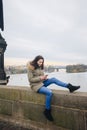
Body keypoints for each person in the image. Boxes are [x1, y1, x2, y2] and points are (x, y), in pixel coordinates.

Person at [27, 55, 80, 121]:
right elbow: (30, 79)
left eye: (42, 62)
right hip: (35, 86)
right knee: (49, 92)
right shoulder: (30, 67)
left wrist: (44, 78)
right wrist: (40, 78)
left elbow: (41, 77)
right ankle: (47, 111)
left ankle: (70, 87)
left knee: (53, 79)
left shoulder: (40, 67)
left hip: (41, 82)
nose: (41, 63)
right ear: (36, 61)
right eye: (40, 62)